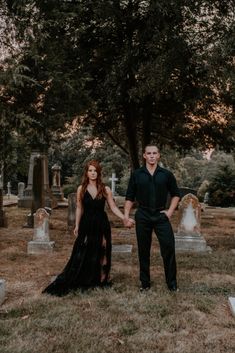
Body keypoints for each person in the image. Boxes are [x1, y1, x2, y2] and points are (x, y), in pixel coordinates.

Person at [43, 160, 134, 296]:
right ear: (86, 172)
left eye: (95, 171)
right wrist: (77, 225)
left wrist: (124, 218)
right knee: (84, 250)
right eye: (90, 170)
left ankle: (102, 279)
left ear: (99, 173)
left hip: (101, 223)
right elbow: (80, 208)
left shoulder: (105, 189)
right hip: (86, 223)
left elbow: (113, 207)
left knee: (103, 248)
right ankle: (85, 277)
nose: (92, 173)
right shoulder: (82, 188)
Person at [123, 145, 180, 292]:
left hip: (161, 215)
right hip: (143, 215)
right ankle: (145, 283)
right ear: (144, 156)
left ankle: (172, 283)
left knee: (168, 247)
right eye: (149, 153)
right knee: (143, 250)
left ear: (159, 155)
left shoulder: (166, 174)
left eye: (155, 153)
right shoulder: (137, 174)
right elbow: (129, 197)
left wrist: (170, 212)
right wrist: (125, 216)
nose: (152, 156)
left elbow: (176, 195)